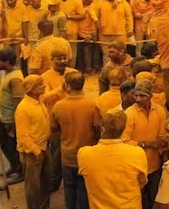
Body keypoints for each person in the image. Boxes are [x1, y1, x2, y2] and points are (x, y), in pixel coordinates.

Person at [78, 109, 148, 209]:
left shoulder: (84, 154)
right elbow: (141, 182)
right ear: (123, 130)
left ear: (102, 128)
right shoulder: (137, 153)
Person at [50, 71, 100, 209]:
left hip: (67, 155)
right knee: (83, 189)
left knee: (69, 187)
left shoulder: (58, 106)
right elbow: (97, 129)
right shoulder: (91, 105)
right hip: (86, 155)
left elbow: (53, 129)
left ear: (67, 85)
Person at [123, 79, 168, 209]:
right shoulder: (129, 114)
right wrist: (146, 144)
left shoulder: (160, 111)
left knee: (155, 199)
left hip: (154, 166)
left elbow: (162, 139)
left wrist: (164, 159)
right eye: (136, 95)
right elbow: (124, 142)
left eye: (142, 96)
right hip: (135, 168)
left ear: (151, 96)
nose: (137, 99)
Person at [15, 75, 52, 209]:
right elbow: (23, 136)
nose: (44, 86)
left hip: (44, 147)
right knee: (34, 187)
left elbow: (51, 95)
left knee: (46, 182)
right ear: (31, 89)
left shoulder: (39, 99)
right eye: (40, 85)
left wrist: (62, 88)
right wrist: (36, 151)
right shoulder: (23, 108)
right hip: (32, 152)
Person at [0, 48, 25, 183]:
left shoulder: (15, 79)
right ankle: (13, 166)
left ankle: (20, 171)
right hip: (3, 117)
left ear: (7, 62)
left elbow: (18, 103)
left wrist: (15, 125)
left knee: (12, 146)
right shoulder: (6, 73)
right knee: (4, 144)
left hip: (11, 119)